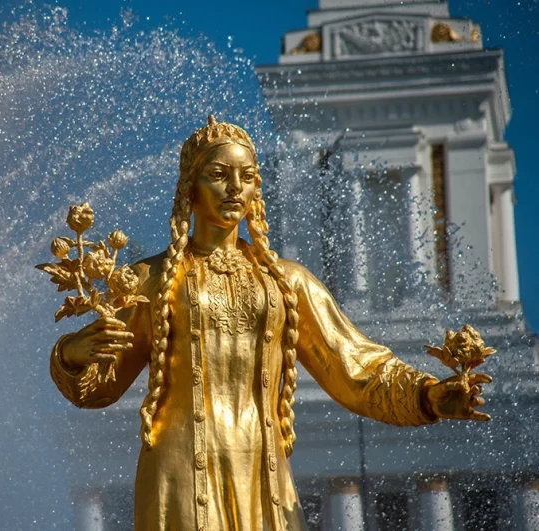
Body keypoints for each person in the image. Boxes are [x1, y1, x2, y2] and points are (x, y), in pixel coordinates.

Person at [49, 116, 490, 531]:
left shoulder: (287, 282)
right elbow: (99, 389)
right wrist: (70, 355)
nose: (234, 188)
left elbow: (355, 368)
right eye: (218, 174)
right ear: (191, 187)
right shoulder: (151, 280)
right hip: (180, 467)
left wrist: (428, 396)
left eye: (247, 176)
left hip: (263, 468)